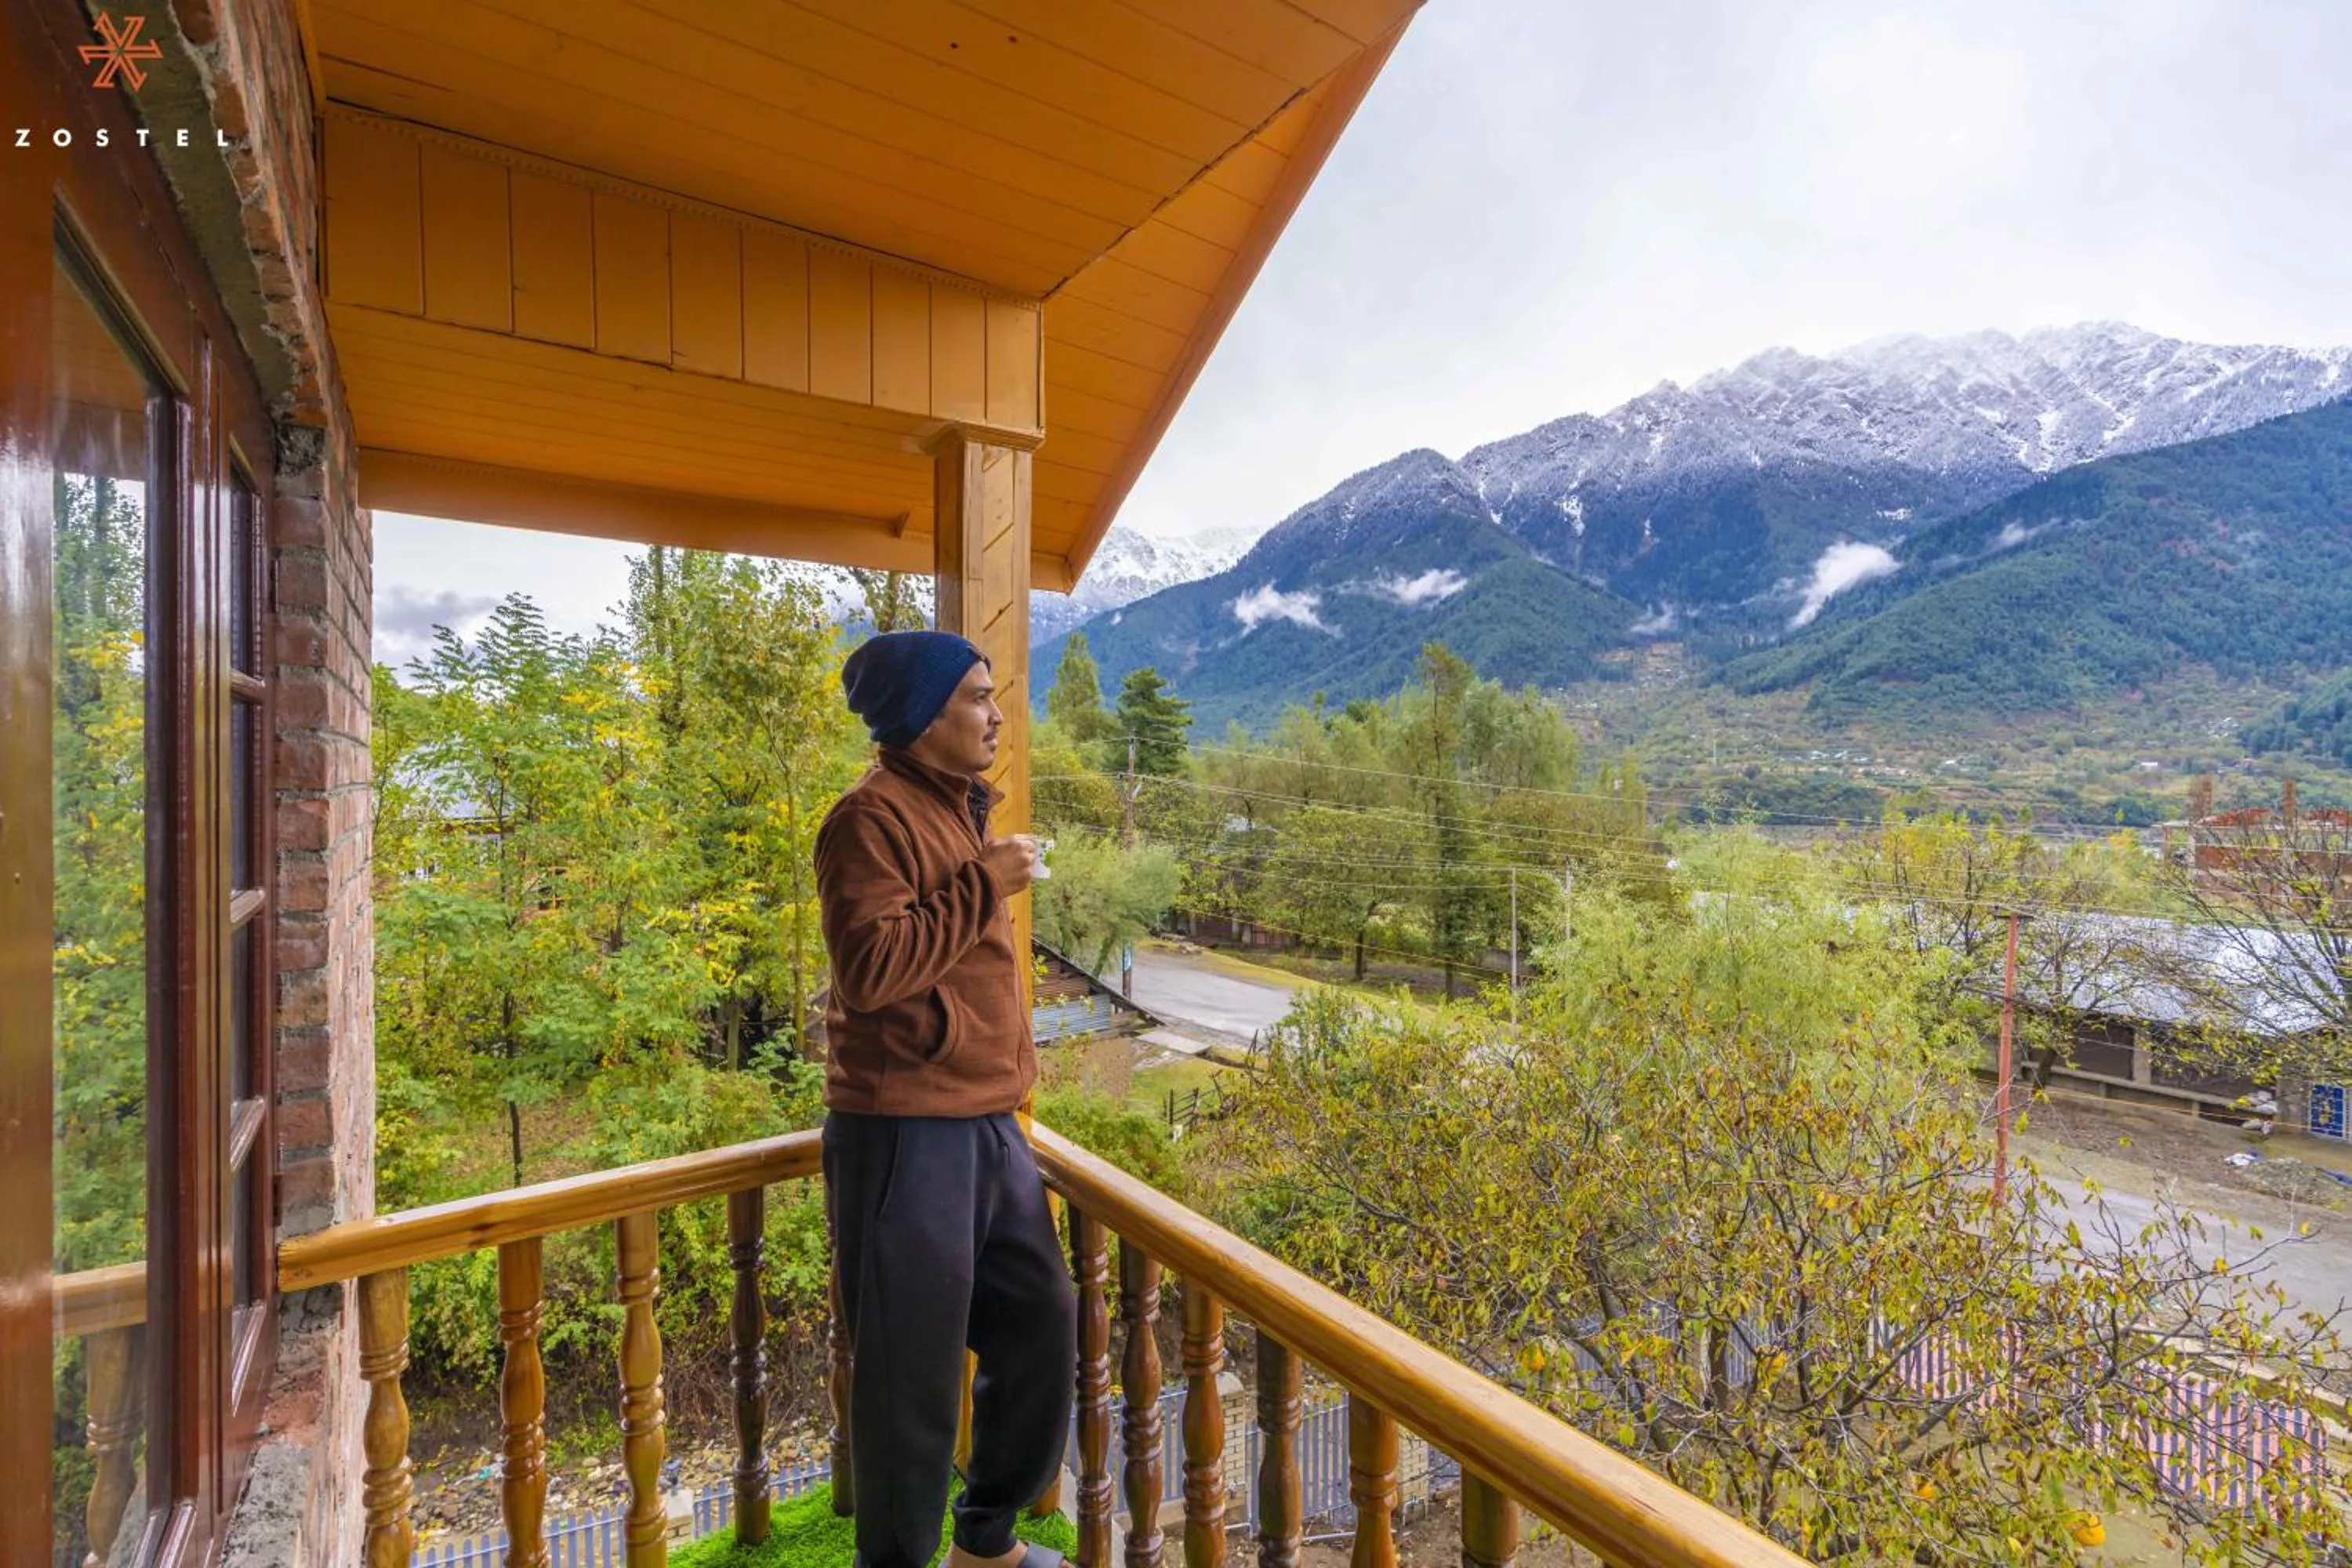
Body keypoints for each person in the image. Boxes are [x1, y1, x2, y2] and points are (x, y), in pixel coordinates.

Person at [815, 629, 1076, 1568]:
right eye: (975, 695)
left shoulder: (959, 809)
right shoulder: (867, 818)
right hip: (901, 1135)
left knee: (1043, 1317)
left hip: (987, 1122)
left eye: (993, 693)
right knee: (909, 1383)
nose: (996, 712)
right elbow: (871, 969)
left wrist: (980, 866)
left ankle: (984, 1539)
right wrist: (985, 882)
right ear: (923, 715)